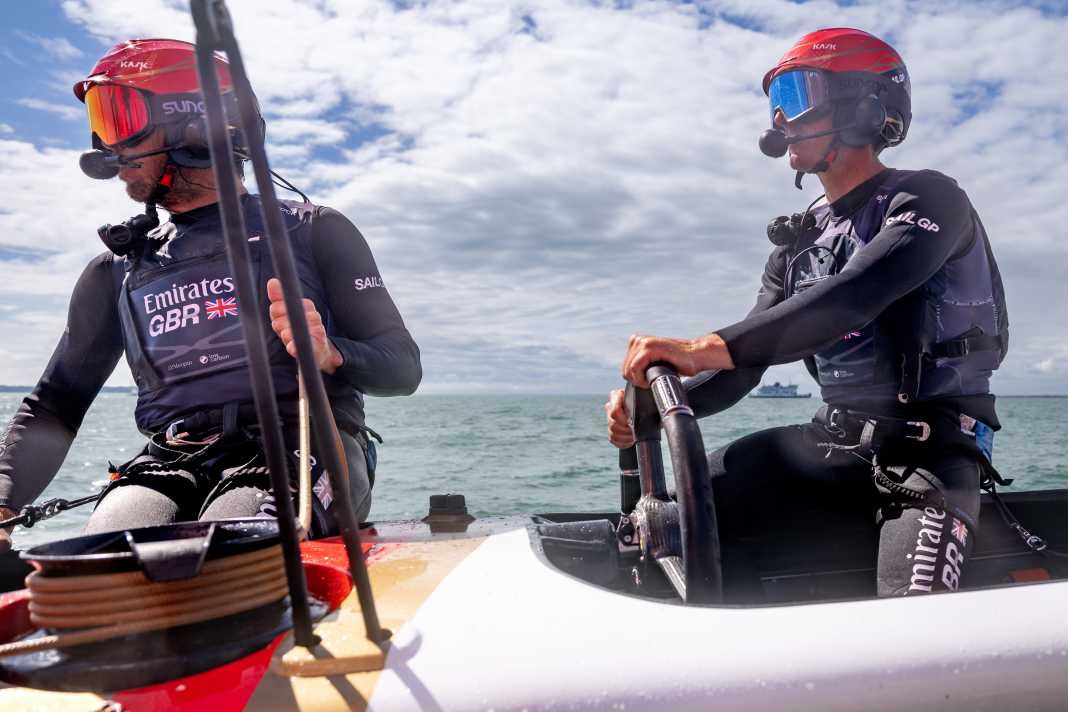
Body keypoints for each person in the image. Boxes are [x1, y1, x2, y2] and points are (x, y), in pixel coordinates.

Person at [606, 28, 1008, 599]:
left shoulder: (930, 200)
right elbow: (745, 364)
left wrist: (698, 346)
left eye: (797, 96)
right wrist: (655, 407)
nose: (781, 119)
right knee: (687, 515)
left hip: (933, 453)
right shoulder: (796, 245)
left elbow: (855, 293)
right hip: (834, 440)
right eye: (775, 103)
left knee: (912, 623)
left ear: (864, 106)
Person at [0, 39, 421, 549]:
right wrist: (4, 500)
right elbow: (56, 404)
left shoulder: (316, 232)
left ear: (195, 124)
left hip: (303, 449)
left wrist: (332, 354)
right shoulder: (115, 271)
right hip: (170, 461)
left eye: (120, 117)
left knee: (232, 542)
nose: (108, 145)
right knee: (103, 551)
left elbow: (402, 367)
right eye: (101, 121)